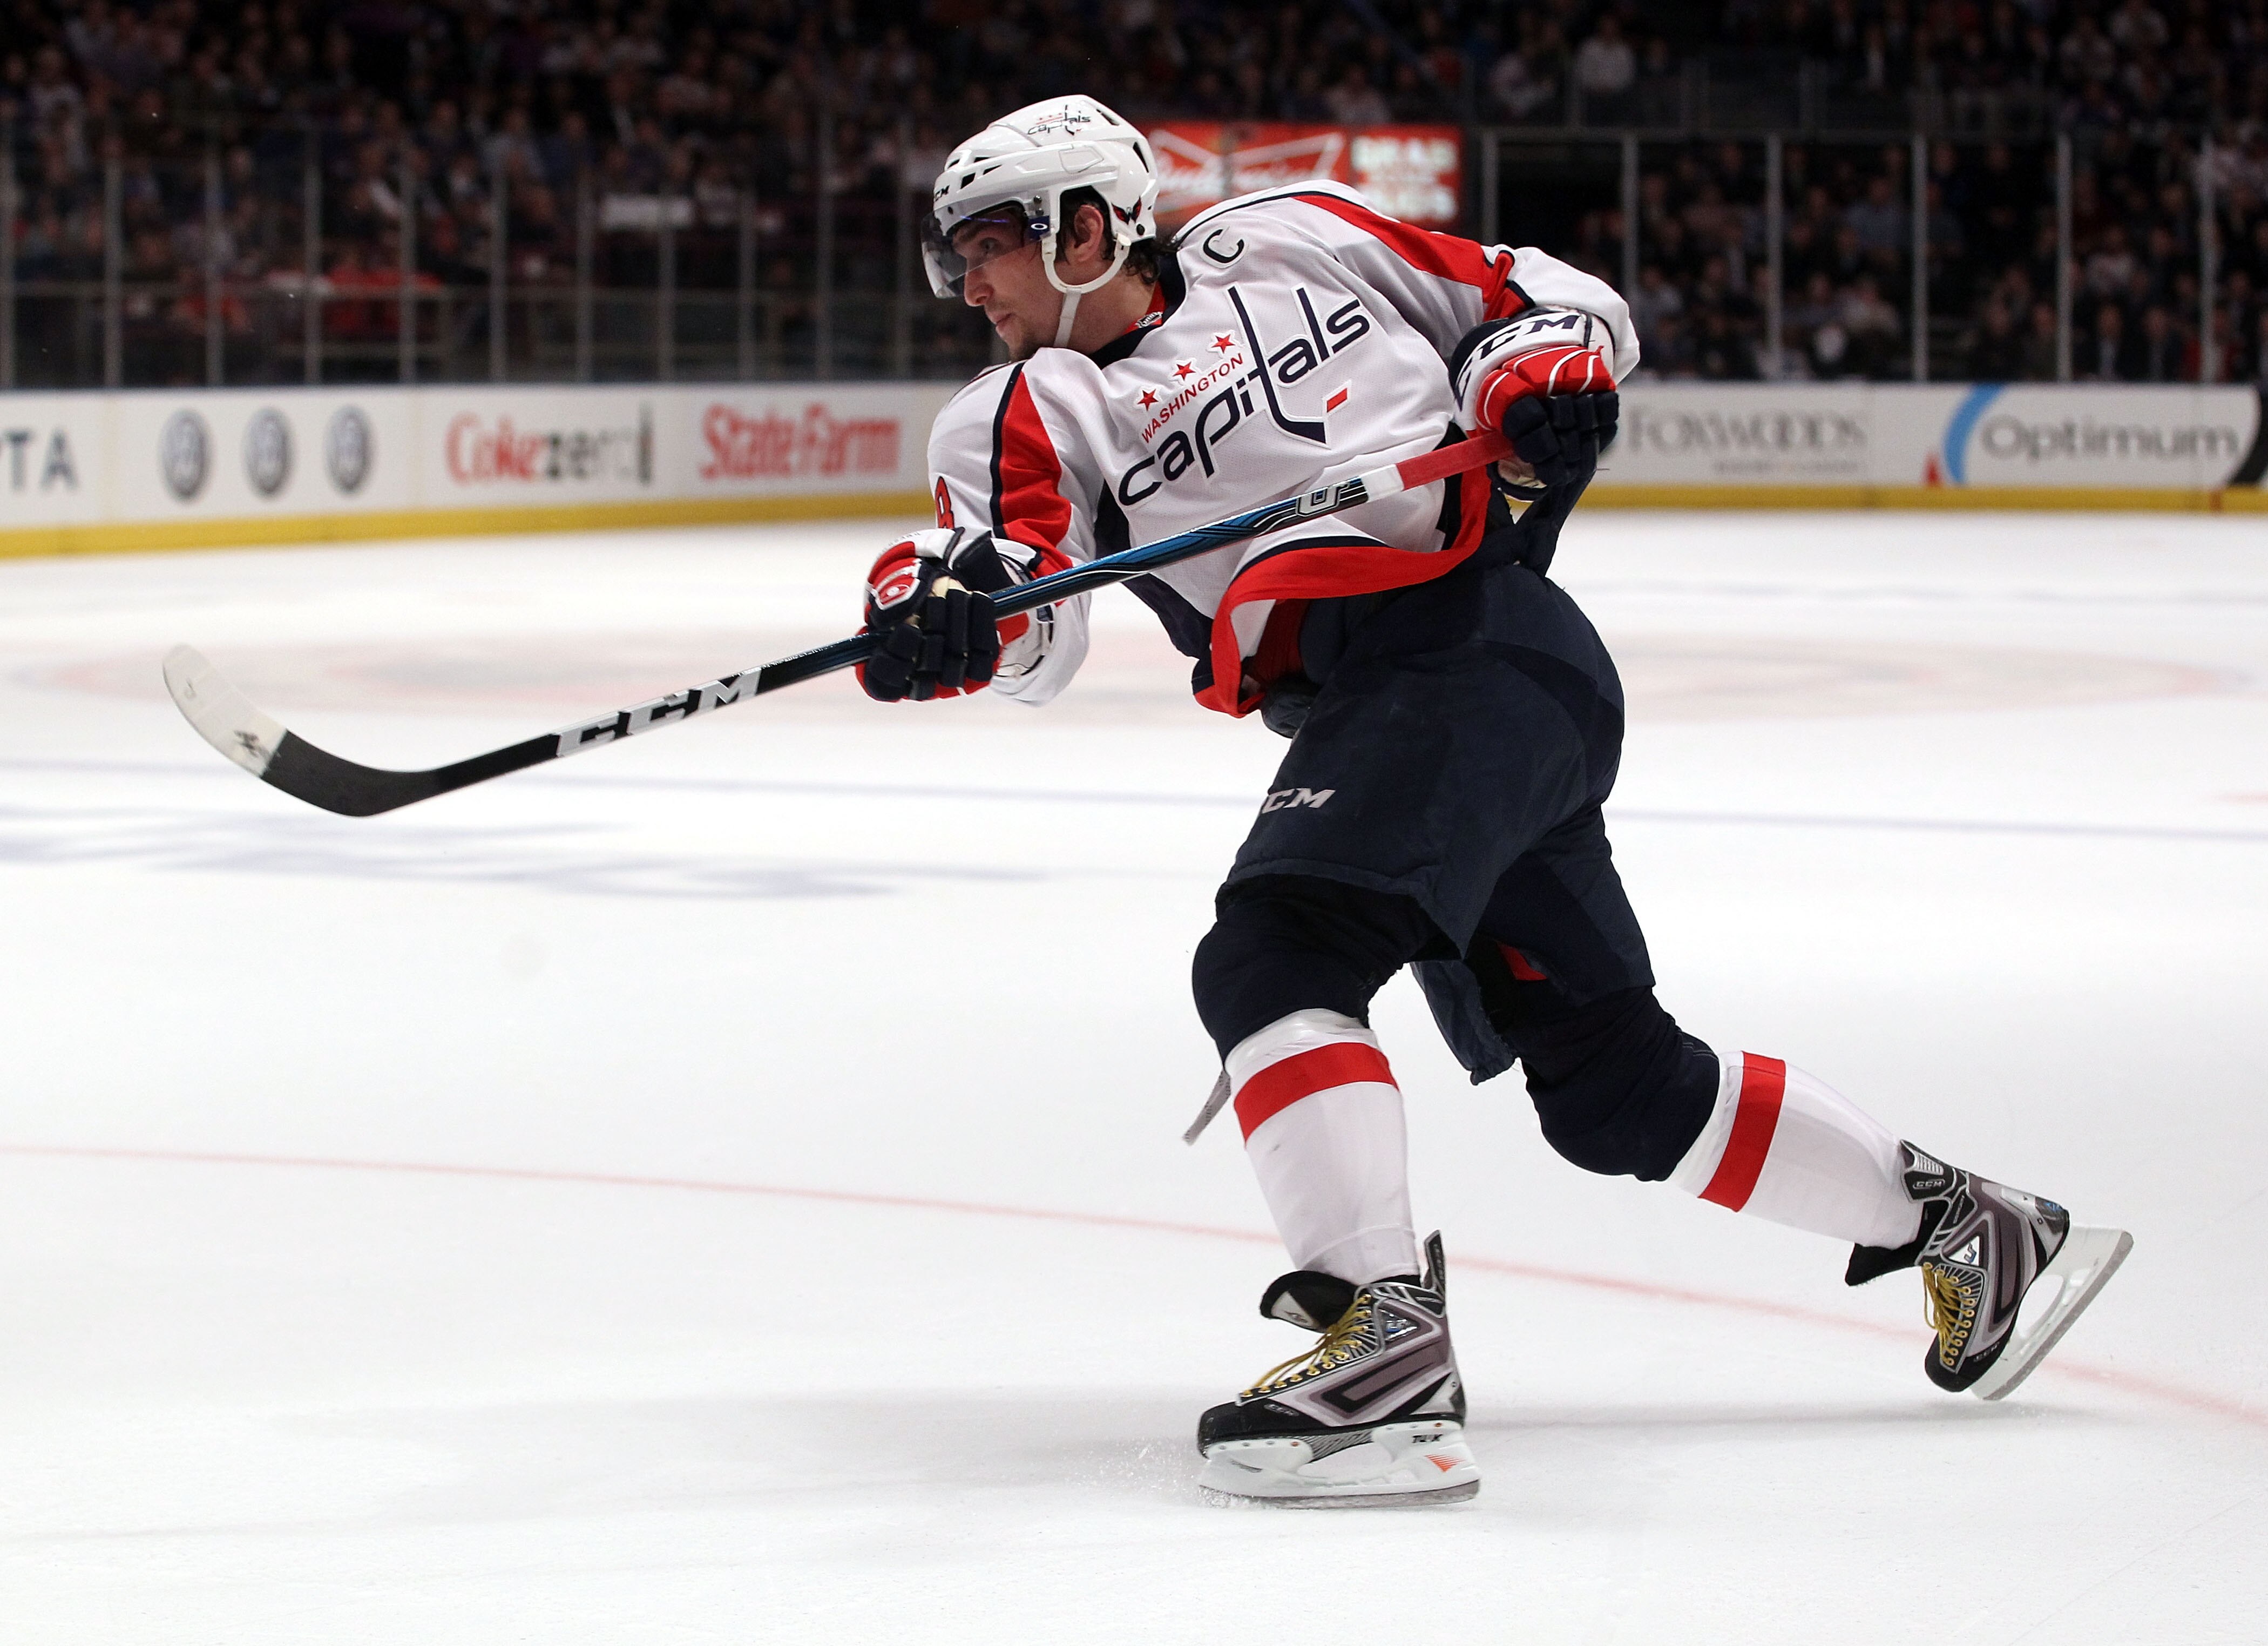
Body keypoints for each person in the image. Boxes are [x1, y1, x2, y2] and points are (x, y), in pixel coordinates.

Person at [865, 94, 2133, 1507]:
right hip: (1424, 704)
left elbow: (1550, 301)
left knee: (1278, 954)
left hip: (1477, 647)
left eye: (985, 245)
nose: (963, 282)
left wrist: (1530, 376)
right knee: (1614, 1089)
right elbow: (1026, 621)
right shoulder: (1024, 409)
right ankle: (1979, 1232)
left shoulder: (1289, 237)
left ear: (1086, 226)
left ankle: (1380, 1346)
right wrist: (946, 620)